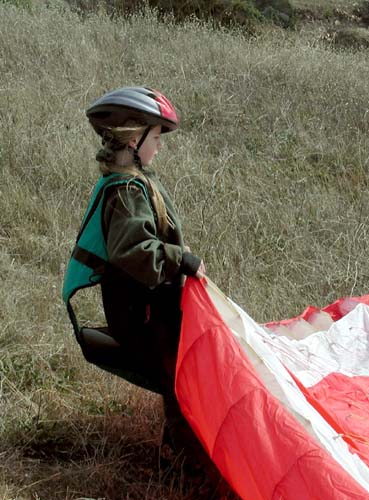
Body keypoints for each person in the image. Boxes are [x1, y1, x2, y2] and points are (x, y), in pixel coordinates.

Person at [62, 86, 235, 498]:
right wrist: (182, 259)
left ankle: (175, 457)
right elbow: (133, 251)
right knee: (183, 383)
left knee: (185, 376)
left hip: (145, 308)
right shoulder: (125, 191)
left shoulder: (132, 184)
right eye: (156, 137)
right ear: (133, 138)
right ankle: (188, 472)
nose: (159, 146)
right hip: (141, 314)